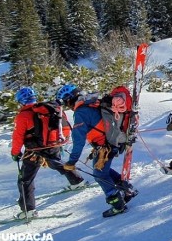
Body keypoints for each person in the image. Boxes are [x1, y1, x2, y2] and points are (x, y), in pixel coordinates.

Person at [57, 84, 137, 218]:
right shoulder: (92, 103)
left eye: (66, 103)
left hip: (105, 146)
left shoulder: (81, 111)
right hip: (109, 142)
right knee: (99, 170)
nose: (67, 106)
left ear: (69, 99)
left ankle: (118, 204)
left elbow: (78, 141)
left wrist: (72, 161)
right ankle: (127, 189)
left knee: (99, 174)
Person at [11, 86, 85, 219]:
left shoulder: (23, 115)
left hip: (35, 150)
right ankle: (77, 180)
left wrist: (15, 153)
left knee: (25, 179)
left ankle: (28, 210)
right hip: (53, 144)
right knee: (55, 163)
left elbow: (18, 136)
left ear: (21, 101)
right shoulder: (47, 109)